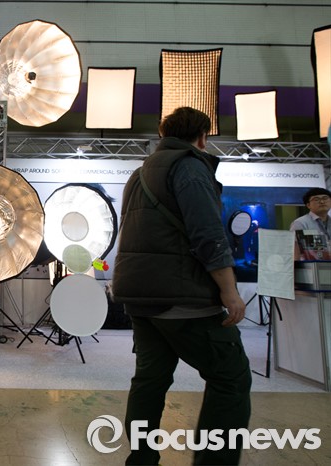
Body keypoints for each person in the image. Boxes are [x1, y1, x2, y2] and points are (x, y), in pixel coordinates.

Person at [112, 107, 252, 465]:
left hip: (141, 298)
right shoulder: (190, 167)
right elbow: (208, 234)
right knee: (231, 377)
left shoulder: (140, 173)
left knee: (150, 381)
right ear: (202, 137)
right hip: (183, 297)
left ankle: (141, 460)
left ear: (164, 134)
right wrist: (229, 290)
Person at [289, 188, 331, 259]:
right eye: (316, 199)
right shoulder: (300, 223)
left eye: (325, 198)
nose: (322, 202)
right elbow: (295, 250)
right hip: (311, 264)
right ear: (308, 205)